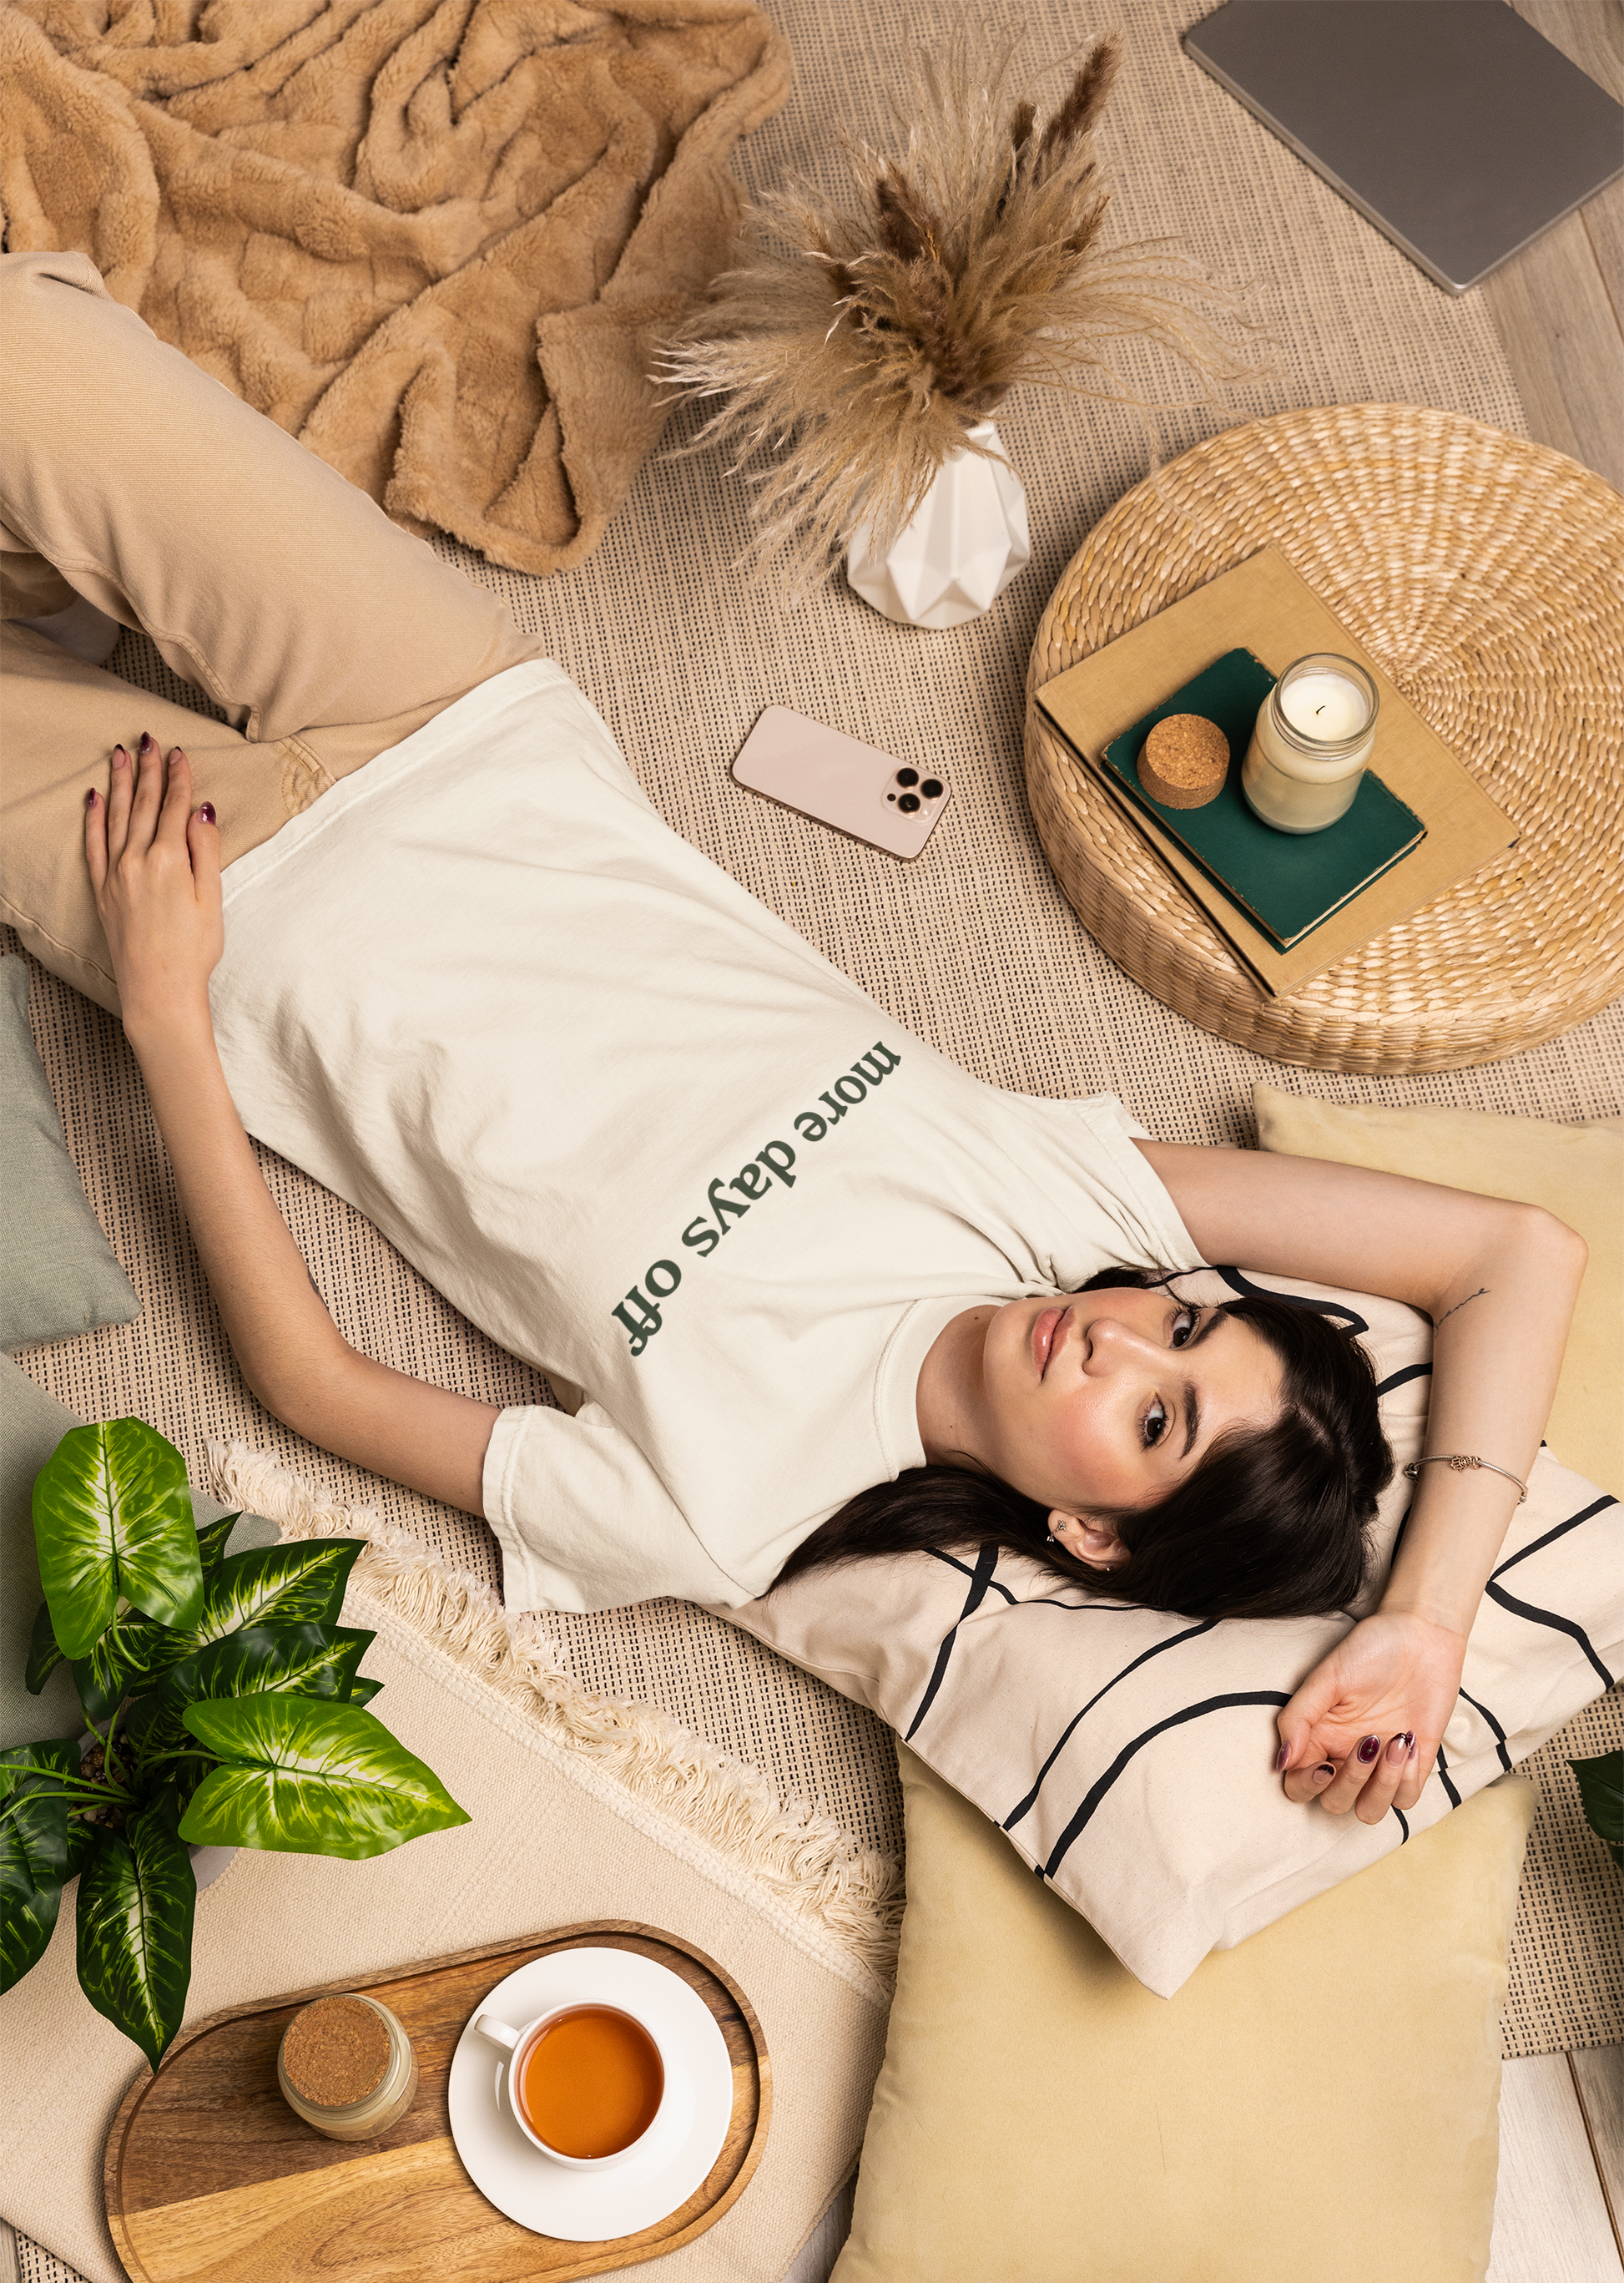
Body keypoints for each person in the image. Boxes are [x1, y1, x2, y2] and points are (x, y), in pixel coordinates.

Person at [2, 252, 1586, 1836]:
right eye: (1179, 1330)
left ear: (1091, 1535)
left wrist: (166, 1015)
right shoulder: (1061, 1209)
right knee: (27, 344)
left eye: (1155, 1420)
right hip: (453, 717)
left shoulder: (741, 1511)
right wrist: (1429, 1614)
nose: (1117, 1339)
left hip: (235, 916)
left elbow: (317, 1389)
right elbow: (1515, 1255)